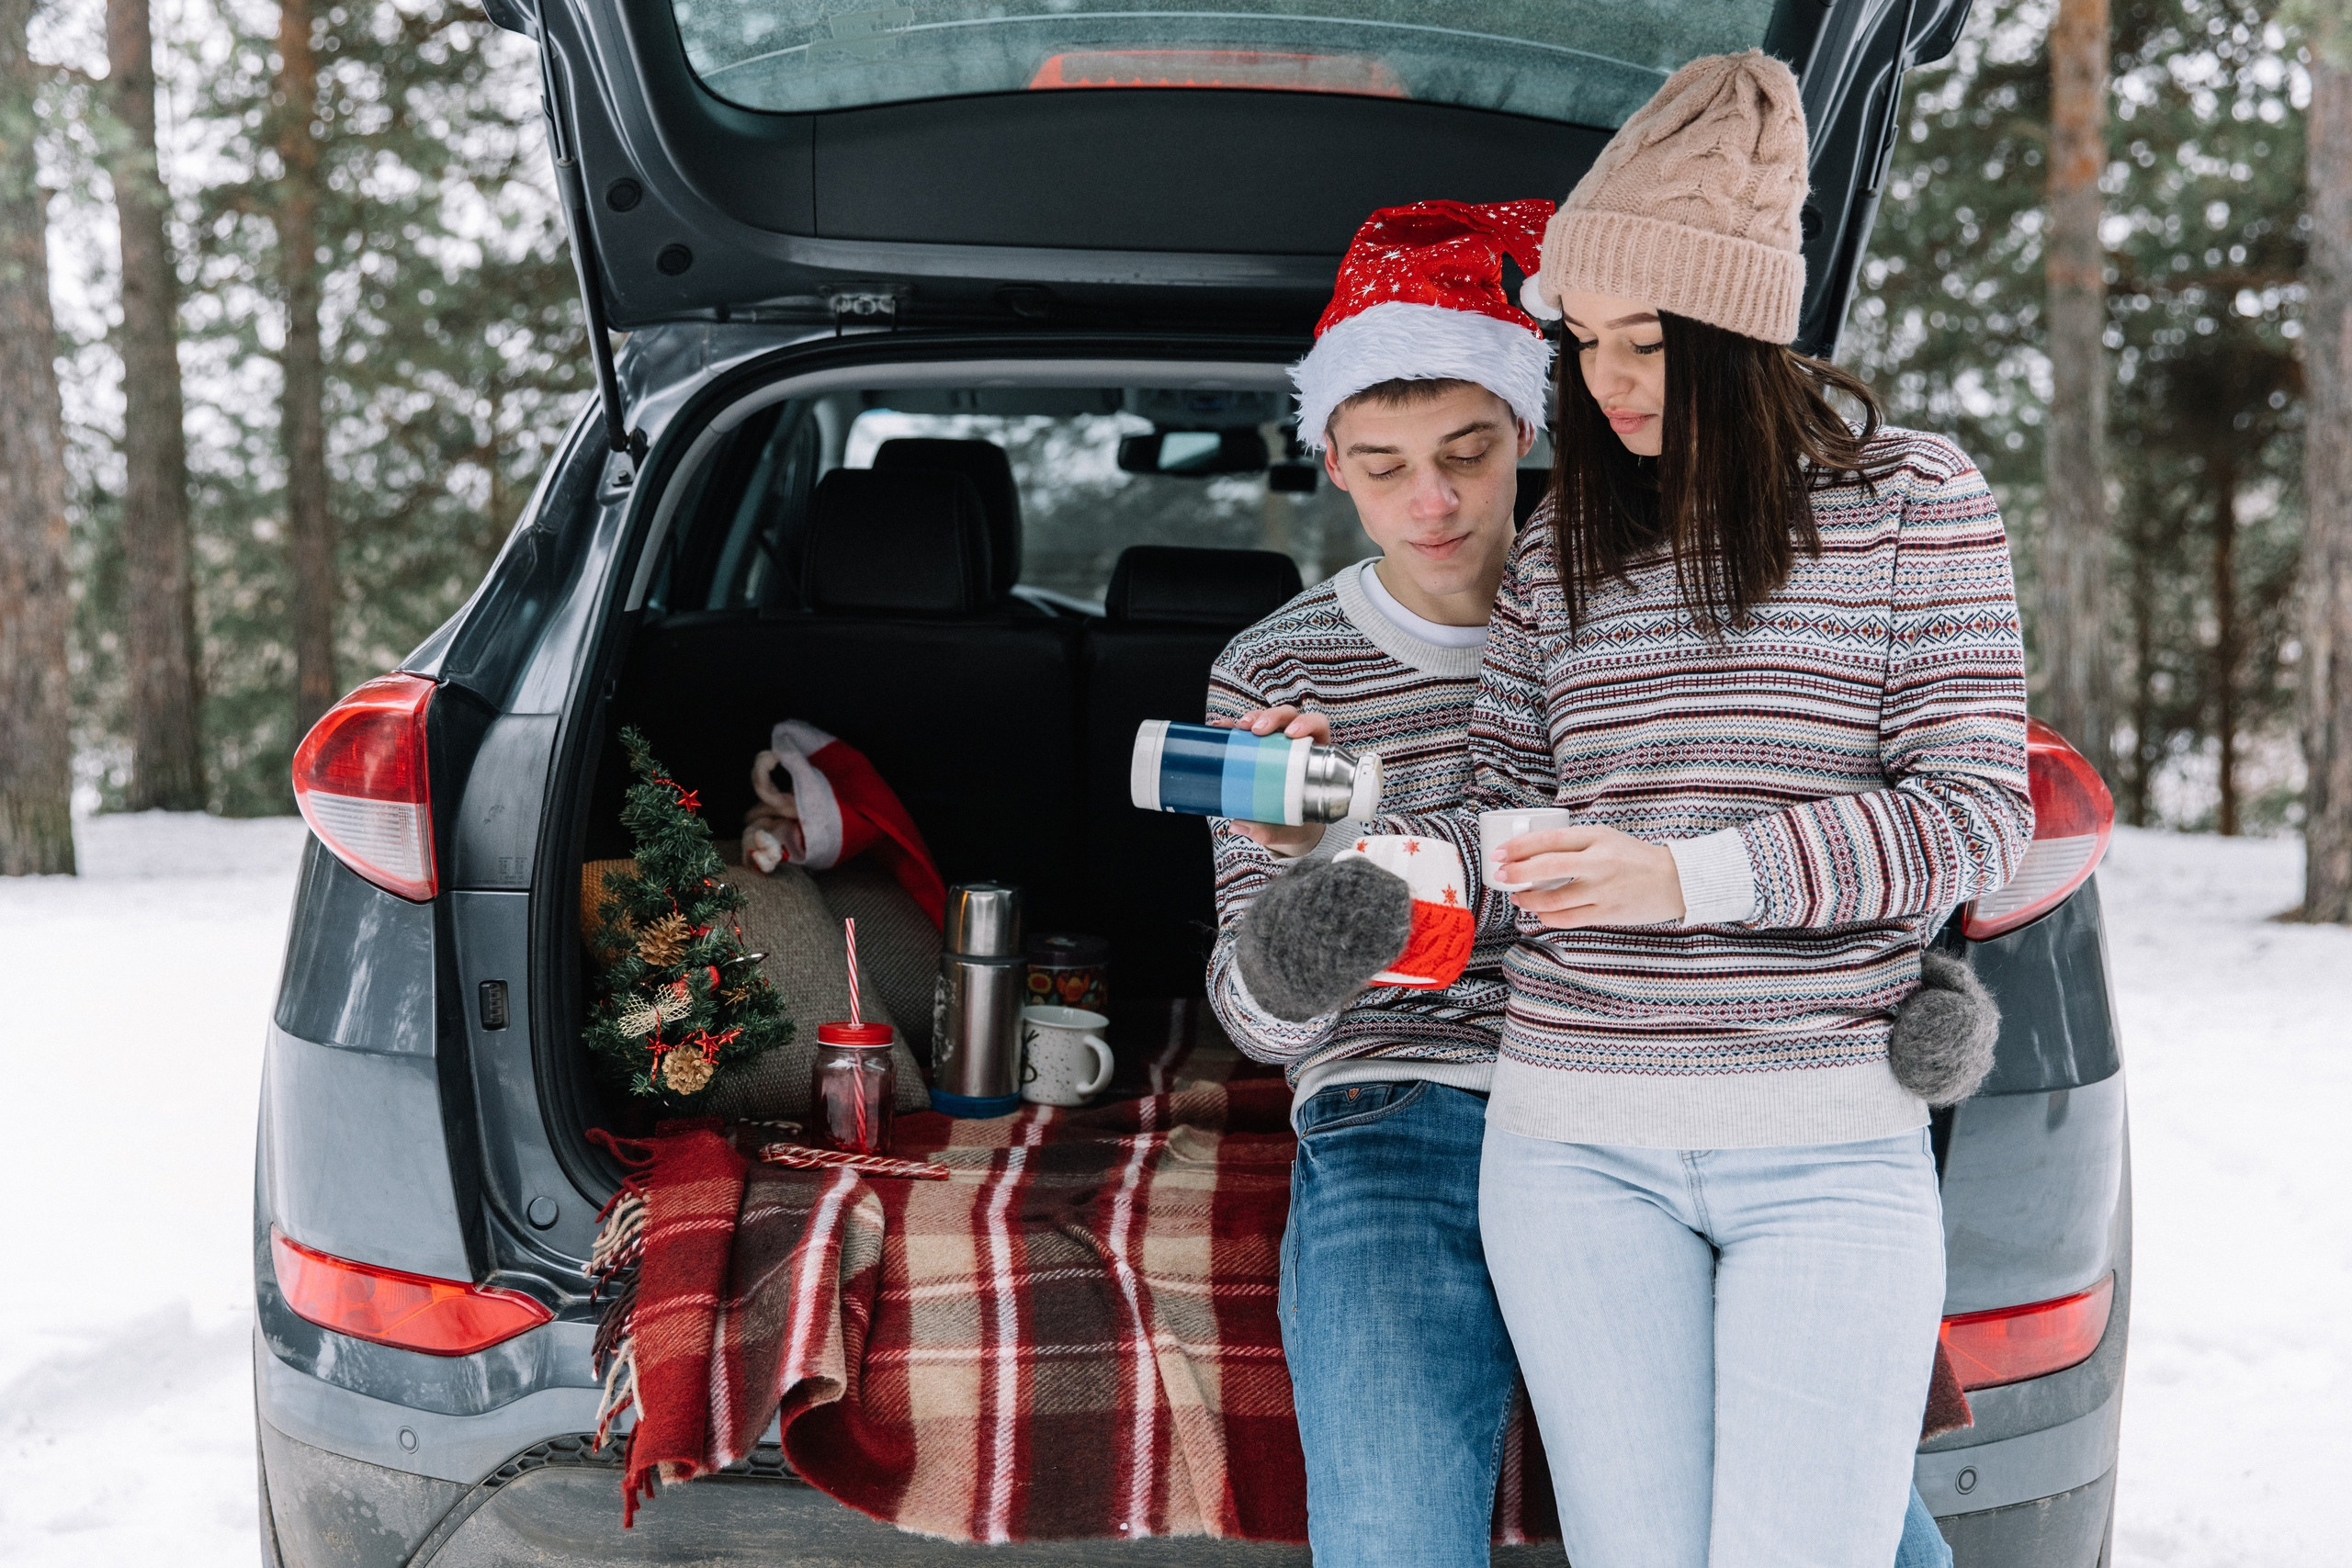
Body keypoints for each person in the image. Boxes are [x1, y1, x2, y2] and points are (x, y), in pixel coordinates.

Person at [1207, 197, 1968, 1567]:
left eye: (1468, 451)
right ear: (1328, 460)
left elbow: (1847, 792)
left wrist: (1913, 970)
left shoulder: (1647, 568)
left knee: (1867, 1537)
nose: (1430, 501)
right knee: (1390, 1537)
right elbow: (1256, 1023)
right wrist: (1297, 909)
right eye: (1382, 467)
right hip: (1406, 1097)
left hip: (1692, 1069)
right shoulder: (1278, 677)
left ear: (1529, 427)